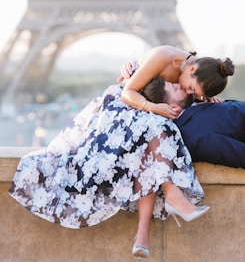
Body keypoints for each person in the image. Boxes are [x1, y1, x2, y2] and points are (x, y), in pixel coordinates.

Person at [8, 75, 209, 260]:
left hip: (140, 129)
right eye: (177, 84)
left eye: (184, 89)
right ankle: (164, 203)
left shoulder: (177, 98)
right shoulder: (169, 72)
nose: (178, 84)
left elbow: (195, 88)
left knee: (151, 146)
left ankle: (143, 231)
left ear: (173, 106)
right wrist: (133, 70)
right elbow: (142, 74)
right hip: (117, 118)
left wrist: (207, 96)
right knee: (156, 132)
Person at [139, 74, 245, 169]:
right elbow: (238, 153)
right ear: (173, 108)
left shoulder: (191, 103)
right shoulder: (196, 137)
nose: (179, 84)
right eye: (175, 88)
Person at [119, 45, 234, 120]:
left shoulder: (199, 75)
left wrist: (205, 98)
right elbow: (127, 92)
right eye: (191, 88)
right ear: (192, 69)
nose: (188, 92)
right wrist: (153, 107)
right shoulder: (163, 57)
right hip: (132, 99)